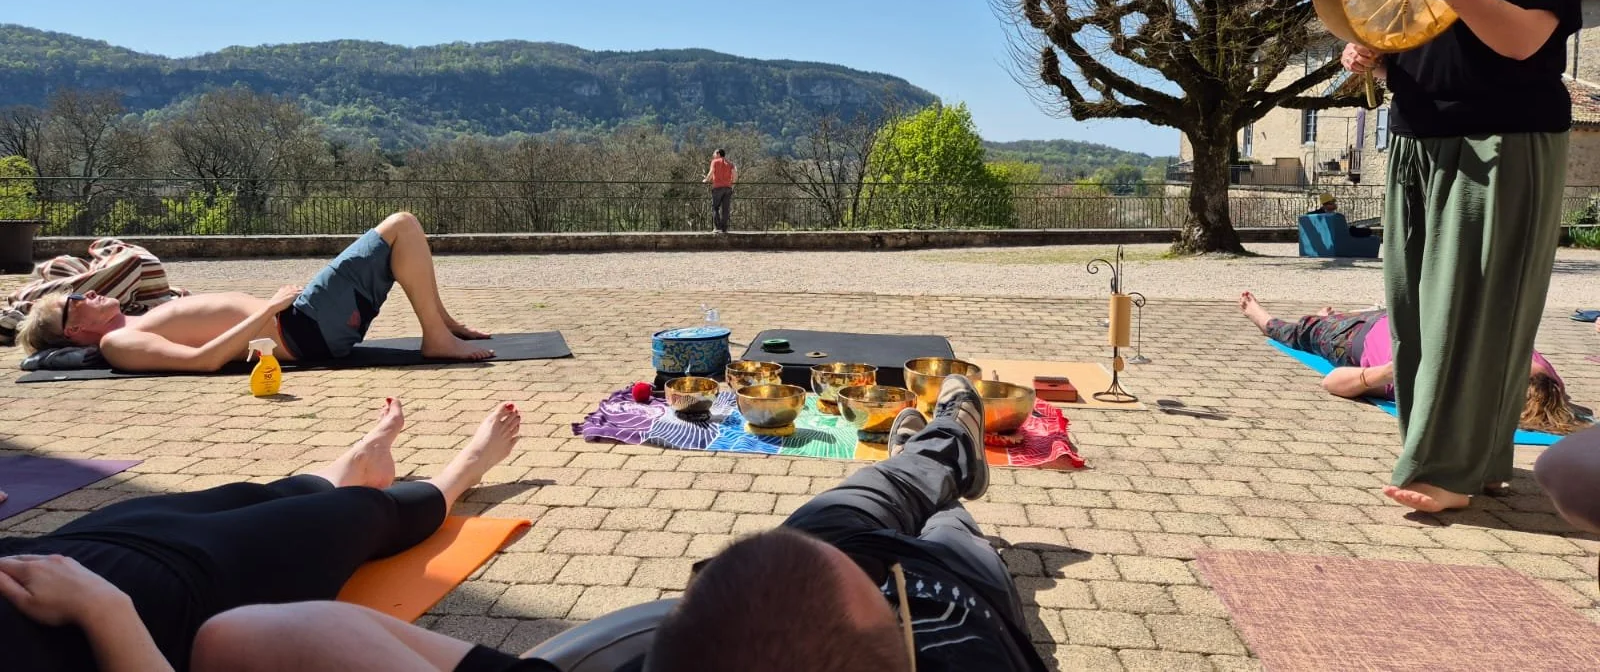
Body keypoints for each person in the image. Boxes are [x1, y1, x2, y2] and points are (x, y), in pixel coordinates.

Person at [175, 376, 1048, 672]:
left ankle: (933, 447)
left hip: (833, 551)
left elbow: (237, 640)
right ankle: (943, 452)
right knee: (948, 525)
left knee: (884, 484)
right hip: (957, 593)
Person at [1340, 0, 1584, 513]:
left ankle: (1441, 470)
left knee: (1473, 314)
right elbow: (1435, 50)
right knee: (1416, 313)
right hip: (1419, 142)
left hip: (1502, 142)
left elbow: (1520, 40)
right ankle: (1470, 463)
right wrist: (1376, 61)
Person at [0, 398, 524, 672]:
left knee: (254, 493)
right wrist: (104, 611)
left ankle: (350, 464)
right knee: (360, 512)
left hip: (66, 549)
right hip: (179, 588)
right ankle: (463, 472)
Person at [15, 211, 494, 371]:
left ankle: (443, 325)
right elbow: (202, 361)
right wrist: (267, 307)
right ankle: (437, 338)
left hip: (301, 321)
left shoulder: (133, 318)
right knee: (400, 226)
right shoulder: (118, 343)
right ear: (75, 330)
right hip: (298, 329)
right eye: (77, 301)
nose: (89, 293)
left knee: (399, 238)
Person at [1240, 292, 1587, 438]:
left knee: (1301, 331)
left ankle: (1261, 316)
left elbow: (1332, 382)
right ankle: (1331, 316)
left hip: (1350, 339)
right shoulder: (1544, 378)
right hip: (1397, 320)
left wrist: (1390, 370)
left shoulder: (1433, 384)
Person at [702, 149, 737, 234]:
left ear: (718, 154)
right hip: (728, 188)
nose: (713, 155)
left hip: (717, 188)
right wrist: (732, 184)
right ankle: (724, 228)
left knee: (715, 207)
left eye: (714, 153)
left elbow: (711, 172)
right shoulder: (730, 163)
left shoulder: (715, 162)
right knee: (725, 209)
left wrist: (706, 180)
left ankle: (718, 228)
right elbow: (735, 175)